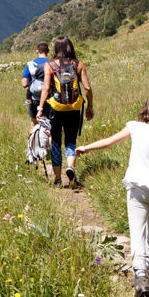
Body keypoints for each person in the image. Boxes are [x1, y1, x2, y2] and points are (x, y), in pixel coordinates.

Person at [76, 93, 149, 297]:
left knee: (137, 233)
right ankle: (148, 270)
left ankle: (141, 276)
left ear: (147, 109)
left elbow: (110, 141)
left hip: (136, 188)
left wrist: (86, 147)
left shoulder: (135, 126)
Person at [35, 36, 93, 187]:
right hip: (73, 108)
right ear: (70, 47)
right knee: (70, 140)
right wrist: (90, 106)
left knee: (55, 141)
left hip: (55, 108)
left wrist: (40, 109)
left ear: (55, 49)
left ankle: (58, 179)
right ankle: (70, 167)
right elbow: (87, 88)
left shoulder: (50, 65)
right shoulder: (79, 64)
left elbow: (46, 89)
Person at [21, 42, 50, 124]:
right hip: (50, 99)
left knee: (34, 125)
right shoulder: (53, 63)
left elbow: (24, 84)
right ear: (48, 51)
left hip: (34, 99)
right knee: (51, 126)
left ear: (37, 51)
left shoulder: (30, 64)